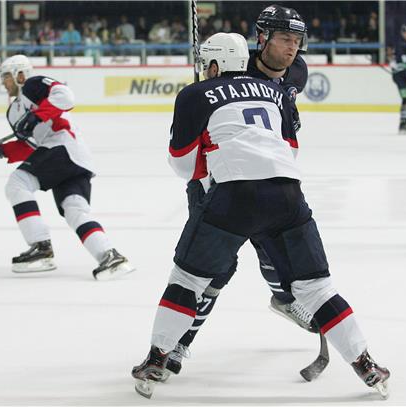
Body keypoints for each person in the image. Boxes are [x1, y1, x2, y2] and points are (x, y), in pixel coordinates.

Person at [131, 32, 390, 400]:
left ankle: (158, 357)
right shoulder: (275, 92)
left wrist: (211, 156)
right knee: (317, 288)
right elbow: (290, 148)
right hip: (288, 192)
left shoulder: (195, 93)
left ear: (216, 65)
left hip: (233, 195)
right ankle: (367, 365)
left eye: (208, 65)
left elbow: (183, 164)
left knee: (187, 279)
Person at [164, 4, 314, 377]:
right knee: (213, 270)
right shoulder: (234, 67)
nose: (291, 49)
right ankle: (178, 344)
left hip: (263, 173)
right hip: (217, 180)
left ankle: (284, 298)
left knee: (276, 246)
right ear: (261, 39)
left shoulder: (296, 70)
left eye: (296, 41)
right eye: (284, 40)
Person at [0, 55, 134, 279]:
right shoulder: (13, 111)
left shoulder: (32, 85)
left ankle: (41, 247)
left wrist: (36, 116)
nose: (3, 83)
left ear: (20, 74)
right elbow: (29, 147)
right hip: (72, 158)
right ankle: (110, 256)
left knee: (18, 183)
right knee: (74, 209)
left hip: (63, 147)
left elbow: (64, 95)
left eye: (6, 76)